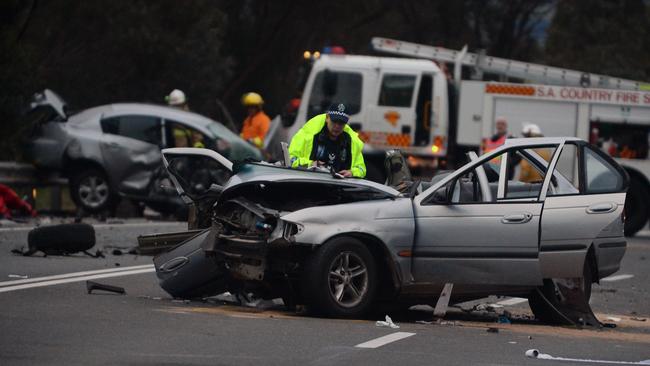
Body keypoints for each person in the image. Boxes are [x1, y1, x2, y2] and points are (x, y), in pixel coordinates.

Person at [288, 103, 366, 178]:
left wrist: (352, 172)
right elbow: (290, 159)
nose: (337, 126)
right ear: (327, 118)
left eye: (341, 123)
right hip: (308, 182)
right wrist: (310, 164)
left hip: (338, 187)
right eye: (334, 121)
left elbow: (362, 169)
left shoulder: (351, 141)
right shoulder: (308, 133)